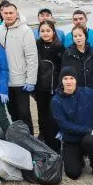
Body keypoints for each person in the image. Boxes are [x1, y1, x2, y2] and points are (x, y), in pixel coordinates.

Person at [51, 69, 93, 183]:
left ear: (76, 80)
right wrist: (89, 130)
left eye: (72, 78)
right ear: (61, 81)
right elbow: (64, 126)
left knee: (90, 141)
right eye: (65, 78)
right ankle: (79, 157)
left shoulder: (88, 94)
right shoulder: (56, 101)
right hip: (71, 139)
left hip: (87, 138)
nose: (69, 81)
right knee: (73, 174)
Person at [0, 1, 39, 133]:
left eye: (11, 13)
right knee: (12, 114)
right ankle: (19, 140)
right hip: (5, 81)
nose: (8, 15)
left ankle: (30, 140)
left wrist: (31, 80)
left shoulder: (26, 31)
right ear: (2, 13)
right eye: (5, 13)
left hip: (21, 81)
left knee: (24, 114)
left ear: (16, 13)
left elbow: (32, 57)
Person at [34, 20, 65, 152]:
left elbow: (64, 68)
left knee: (52, 117)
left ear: (53, 32)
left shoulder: (59, 47)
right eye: (42, 31)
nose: (45, 33)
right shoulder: (36, 45)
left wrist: (60, 86)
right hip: (40, 87)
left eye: (48, 31)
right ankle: (43, 139)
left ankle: (55, 144)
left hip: (54, 87)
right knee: (41, 114)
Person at [61, 25, 93, 90]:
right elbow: (64, 73)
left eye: (80, 35)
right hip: (75, 90)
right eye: (75, 36)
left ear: (85, 36)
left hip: (91, 89)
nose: (78, 38)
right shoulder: (68, 53)